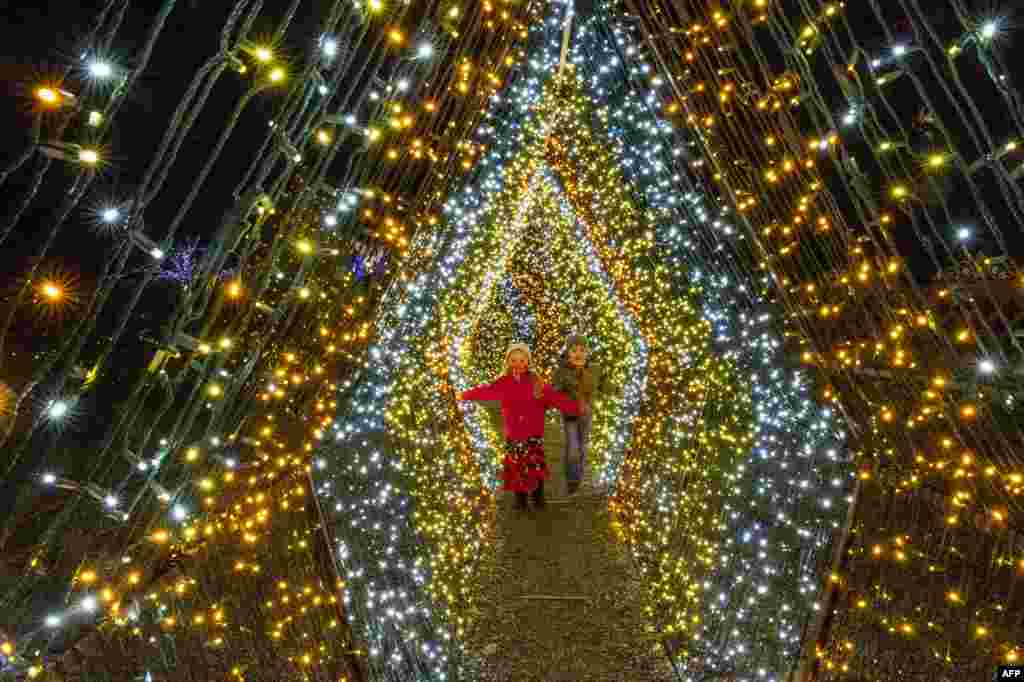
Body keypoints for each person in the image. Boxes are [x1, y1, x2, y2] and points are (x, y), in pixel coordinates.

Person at [458, 342, 580, 510]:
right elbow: (486, 391)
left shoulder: (536, 383)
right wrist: (465, 395)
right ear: (508, 362)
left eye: (522, 360)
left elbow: (554, 397)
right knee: (516, 468)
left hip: (533, 434)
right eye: (513, 360)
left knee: (535, 467)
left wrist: (572, 407)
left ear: (528, 362)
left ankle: (538, 497)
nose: (518, 364)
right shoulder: (504, 382)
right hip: (514, 434)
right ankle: (520, 500)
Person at [552, 335, 603, 496]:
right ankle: (572, 480)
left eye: (582, 350)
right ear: (568, 353)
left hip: (586, 415)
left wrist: (615, 389)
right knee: (573, 447)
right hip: (570, 416)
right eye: (574, 350)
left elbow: (602, 384)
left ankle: (578, 477)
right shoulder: (562, 371)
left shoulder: (593, 370)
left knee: (582, 447)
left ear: (587, 352)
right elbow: (555, 390)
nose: (578, 354)